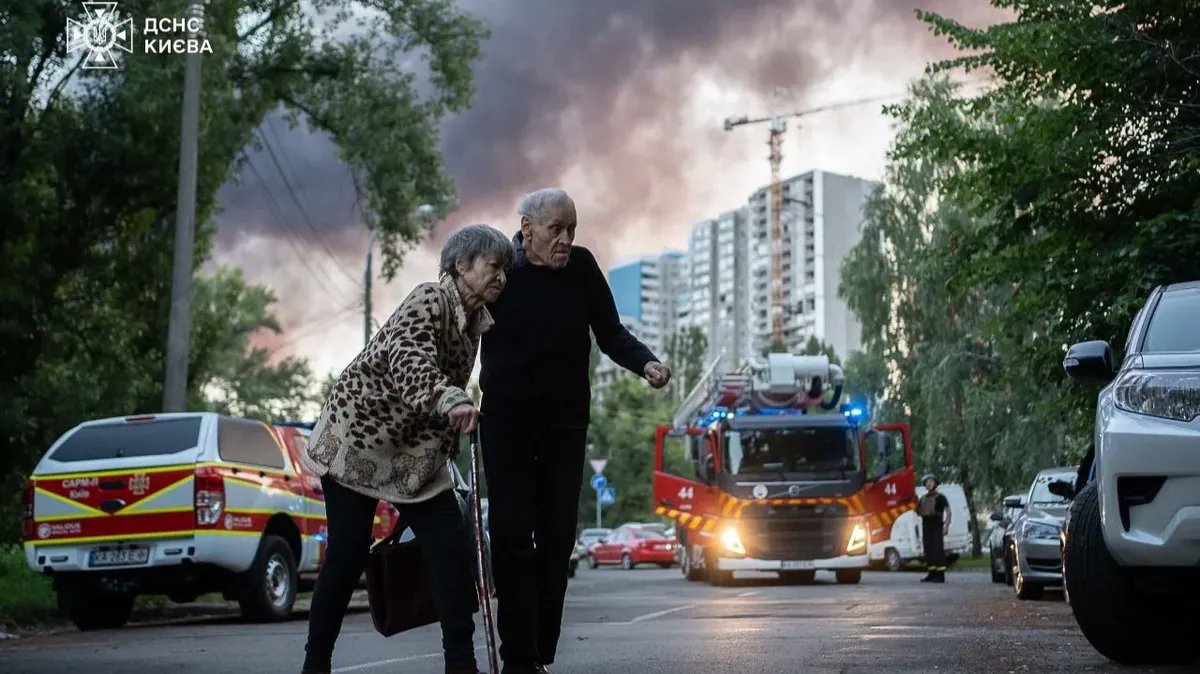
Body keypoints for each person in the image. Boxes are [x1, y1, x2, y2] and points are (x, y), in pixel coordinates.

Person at [298, 224, 513, 674]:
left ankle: (461, 664)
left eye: (505, 270)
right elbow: (409, 360)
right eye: (494, 266)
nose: (501, 278)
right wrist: (450, 397)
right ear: (461, 264)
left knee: (451, 549)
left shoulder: (475, 322)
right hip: (359, 441)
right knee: (347, 554)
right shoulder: (428, 299)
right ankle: (315, 663)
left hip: (416, 454)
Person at [479, 188, 671, 673]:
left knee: (559, 536)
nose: (565, 239)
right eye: (555, 230)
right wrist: (450, 396)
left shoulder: (582, 268)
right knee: (511, 536)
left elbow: (610, 333)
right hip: (507, 424)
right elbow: (462, 329)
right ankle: (519, 657)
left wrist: (645, 362)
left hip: (565, 425)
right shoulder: (501, 270)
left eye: (572, 230)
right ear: (527, 229)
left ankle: (541, 648)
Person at [918, 473, 951, 583]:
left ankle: (940, 575)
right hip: (926, 526)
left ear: (936, 483)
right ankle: (931, 574)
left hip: (937, 526)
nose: (929, 483)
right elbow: (918, 511)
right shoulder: (922, 498)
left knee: (937, 550)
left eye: (931, 481)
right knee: (928, 551)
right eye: (927, 482)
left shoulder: (940, 497)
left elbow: (948, 511)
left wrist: (946, 526)